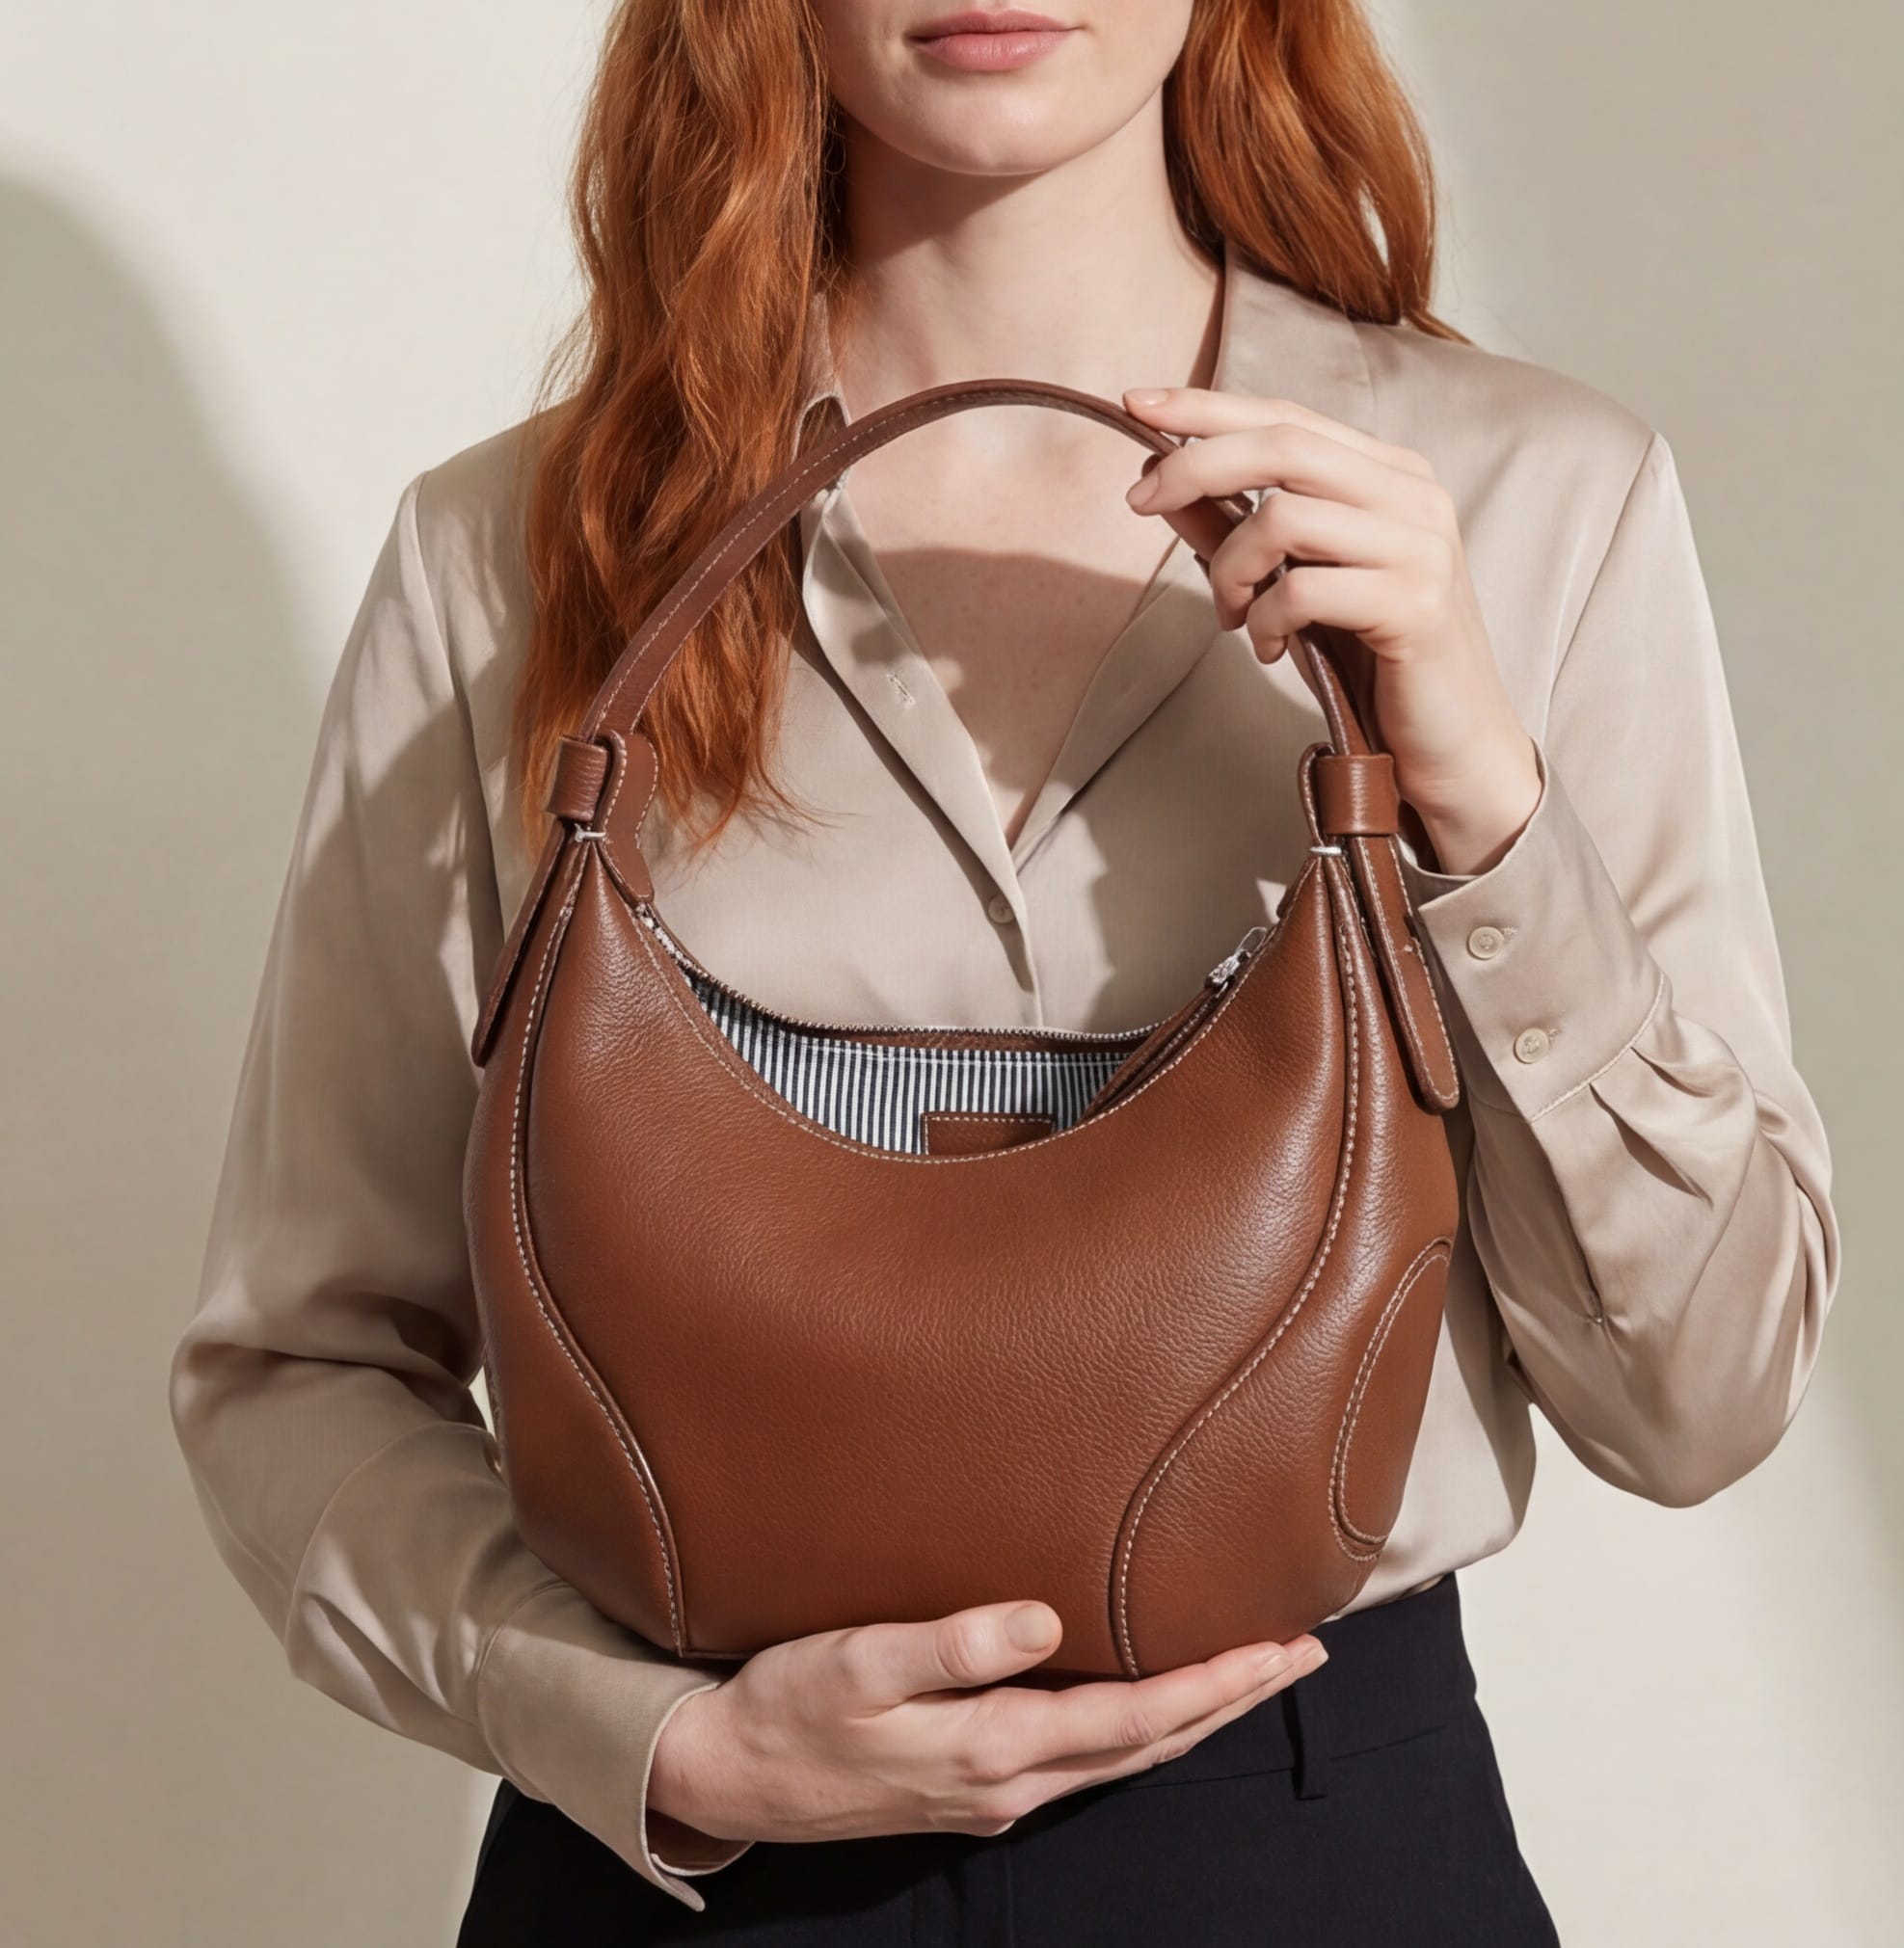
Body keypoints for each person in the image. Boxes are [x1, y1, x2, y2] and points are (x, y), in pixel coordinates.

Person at [168, 3, 1840, 1942]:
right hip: (691, 1867)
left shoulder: (1531, 503)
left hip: (1310, 1849)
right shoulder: (523, 553)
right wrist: (656, 1742)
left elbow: (1697, 1400)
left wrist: (1479, 801)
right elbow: (296, 1369)